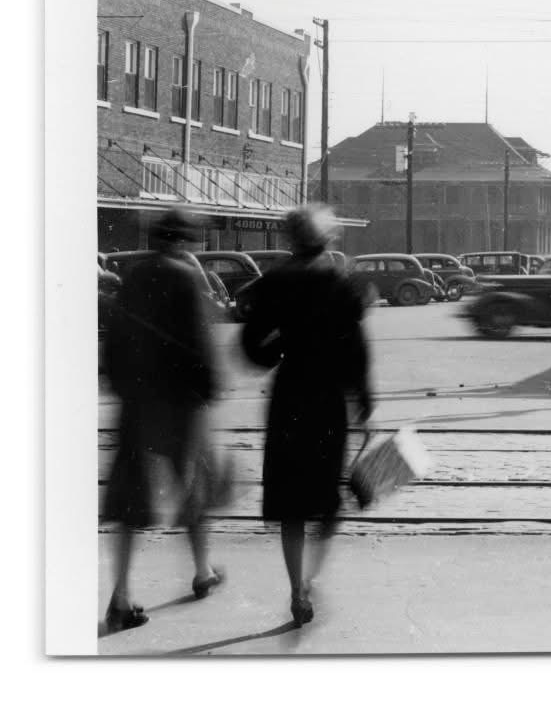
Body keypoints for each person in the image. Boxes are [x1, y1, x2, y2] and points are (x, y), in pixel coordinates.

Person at [242, 205, 372, 627]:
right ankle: (311, 580)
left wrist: (279, 348)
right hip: (330, 399)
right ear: (326, 238)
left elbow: (252, 348)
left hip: (290, 398)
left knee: (290, 504)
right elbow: (357, 349)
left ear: (290, 239)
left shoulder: (273, 281)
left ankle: (296, 588)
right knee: (329, 501)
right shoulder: (339, 281)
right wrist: (364, 401)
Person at [100, 207, 225, 633]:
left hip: (137, 401)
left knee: (130, 501)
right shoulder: (186, 276)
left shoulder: (133, 276)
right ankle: (203, 569)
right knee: (195, 486)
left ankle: (120, 596)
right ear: (184, 240)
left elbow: (114, 340)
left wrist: (122, 386)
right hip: (181, 404)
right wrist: (209, 388)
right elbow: (200, 341)